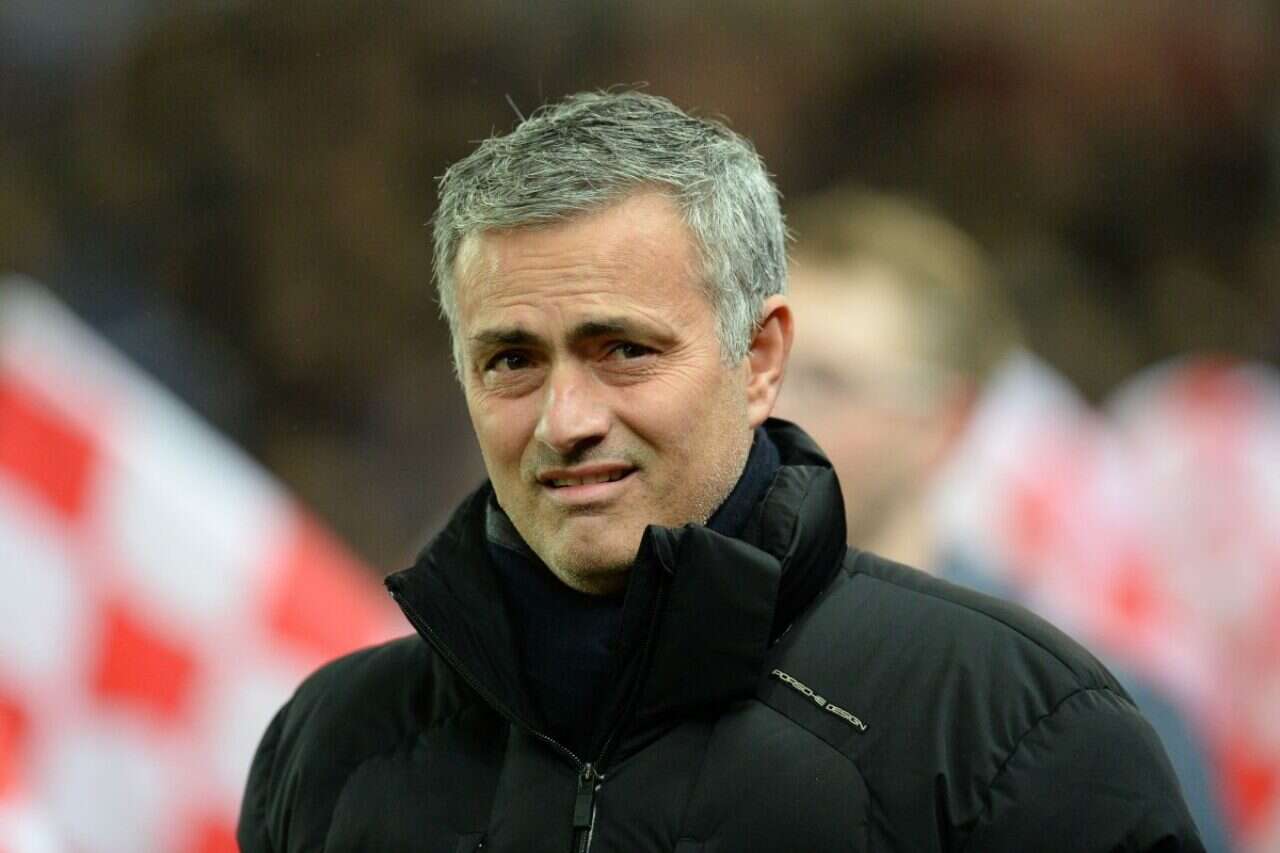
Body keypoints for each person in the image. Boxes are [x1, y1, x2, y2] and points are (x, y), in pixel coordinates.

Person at [237, 91, 1203, 852]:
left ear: (760, 360)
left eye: (624, 350)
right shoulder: (330, 747)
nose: (566, 421)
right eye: (512, 360)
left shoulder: (1015, 727)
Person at [776, 187, 1230, 849]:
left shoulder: (1079, 715)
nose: (770, 409)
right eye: (758, 364)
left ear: (945, 421)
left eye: (827, 381)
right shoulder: (686, 640)